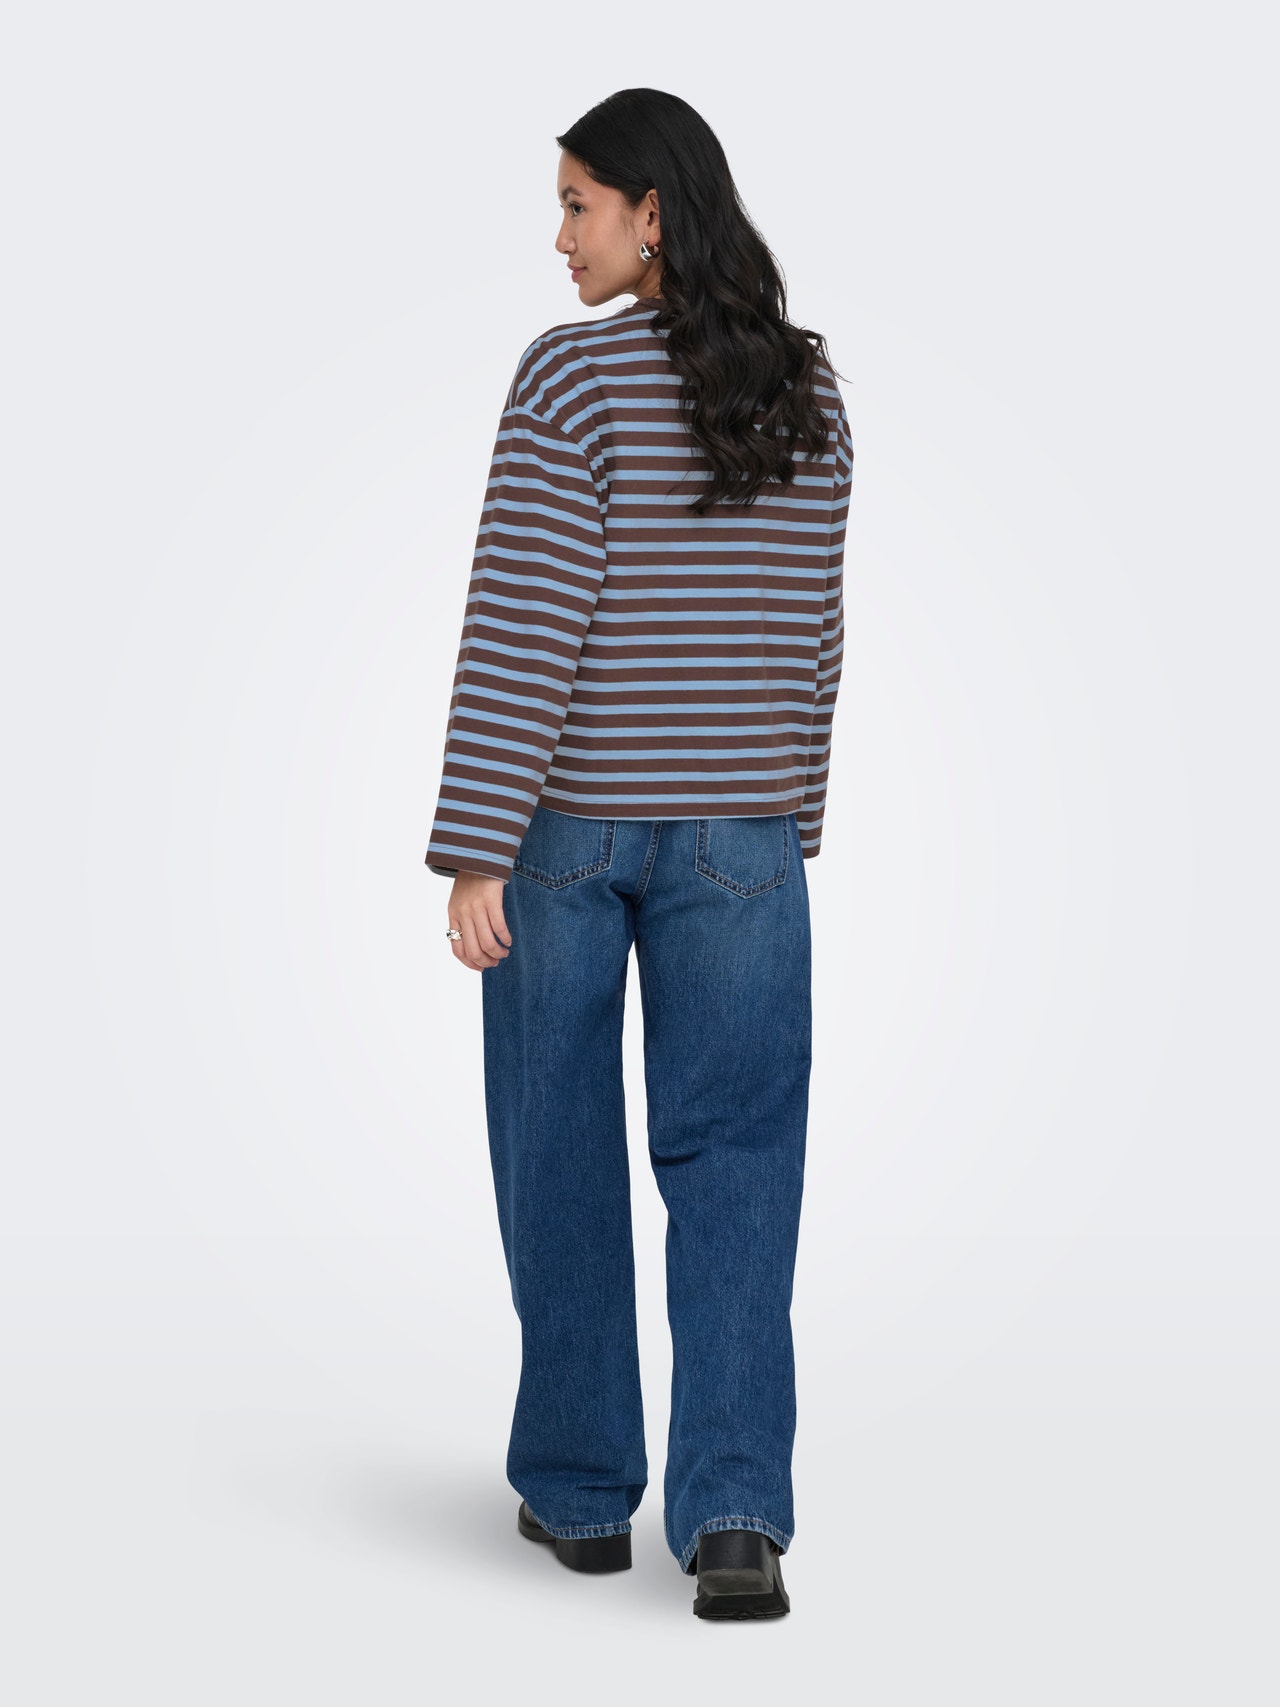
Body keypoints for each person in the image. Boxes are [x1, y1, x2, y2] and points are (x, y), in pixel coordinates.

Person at [423, 87, 852, 1621]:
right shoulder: (803, 386)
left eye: (577, 205)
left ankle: (582, 1491)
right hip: (744, 836)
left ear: (651, 214)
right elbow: (814, 627)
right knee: (740, 1163)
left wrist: (478, 848)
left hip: (569, 824)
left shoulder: (573, 378)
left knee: (557, 1141)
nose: (560, 238)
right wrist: (791, 819)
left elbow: (525, 617)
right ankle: (735, 1519)